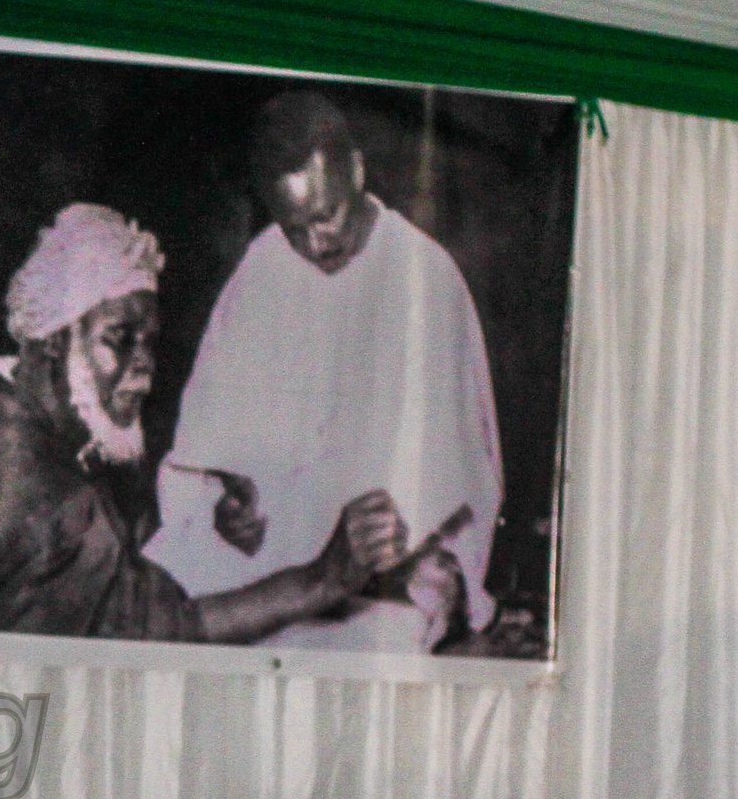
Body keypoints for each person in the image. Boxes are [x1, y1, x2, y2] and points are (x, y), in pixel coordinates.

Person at [0, 202, 406, 643]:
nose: (144, 364)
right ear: (54, 340)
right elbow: (173, 628)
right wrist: (324, 579)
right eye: (120, 337)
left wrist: (209, 521)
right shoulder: (43, 497)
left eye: (149, 341)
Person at [143, 91, 503, 652]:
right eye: (294, 227)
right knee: (159, 597)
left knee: (369, 635)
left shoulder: (424, 273)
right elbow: (208, 452)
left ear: (357, 169)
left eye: (326, 215)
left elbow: (462, 476)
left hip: (385, 565)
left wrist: (415, 539)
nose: (317, 242)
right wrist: (224, 508)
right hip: (276, 555)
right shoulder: (262, 268)